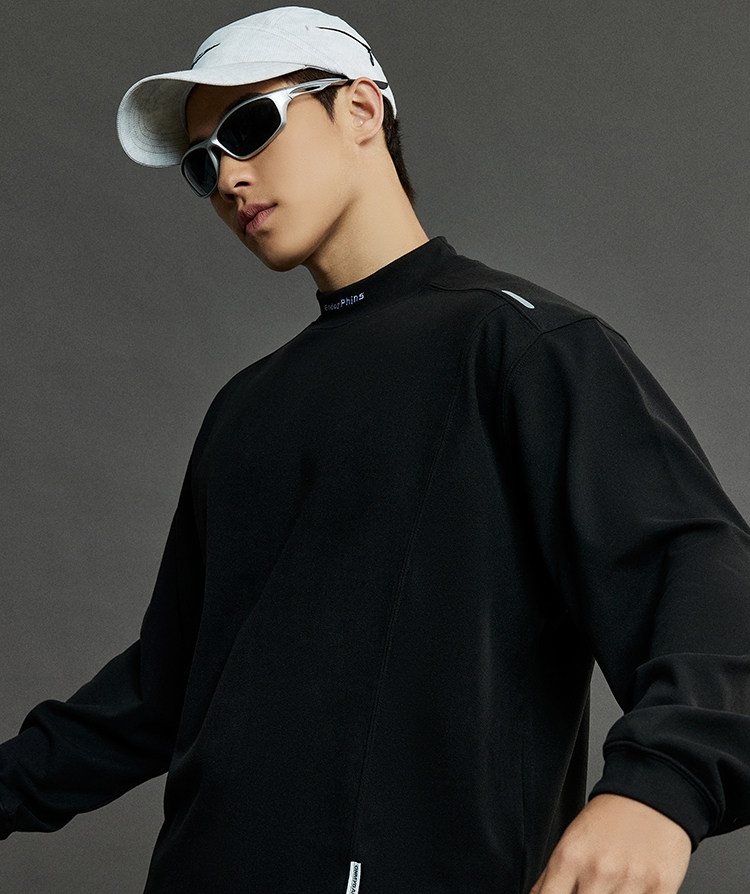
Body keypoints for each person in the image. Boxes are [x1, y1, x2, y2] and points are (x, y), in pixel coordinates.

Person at [1, 6, 749, 893]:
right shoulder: (245, 407)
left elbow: (695, 566)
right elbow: (164, 686)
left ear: (359, 109)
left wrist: (661, 786)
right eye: (202, 164)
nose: (228, 177)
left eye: (250, 127)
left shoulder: (519, 344)